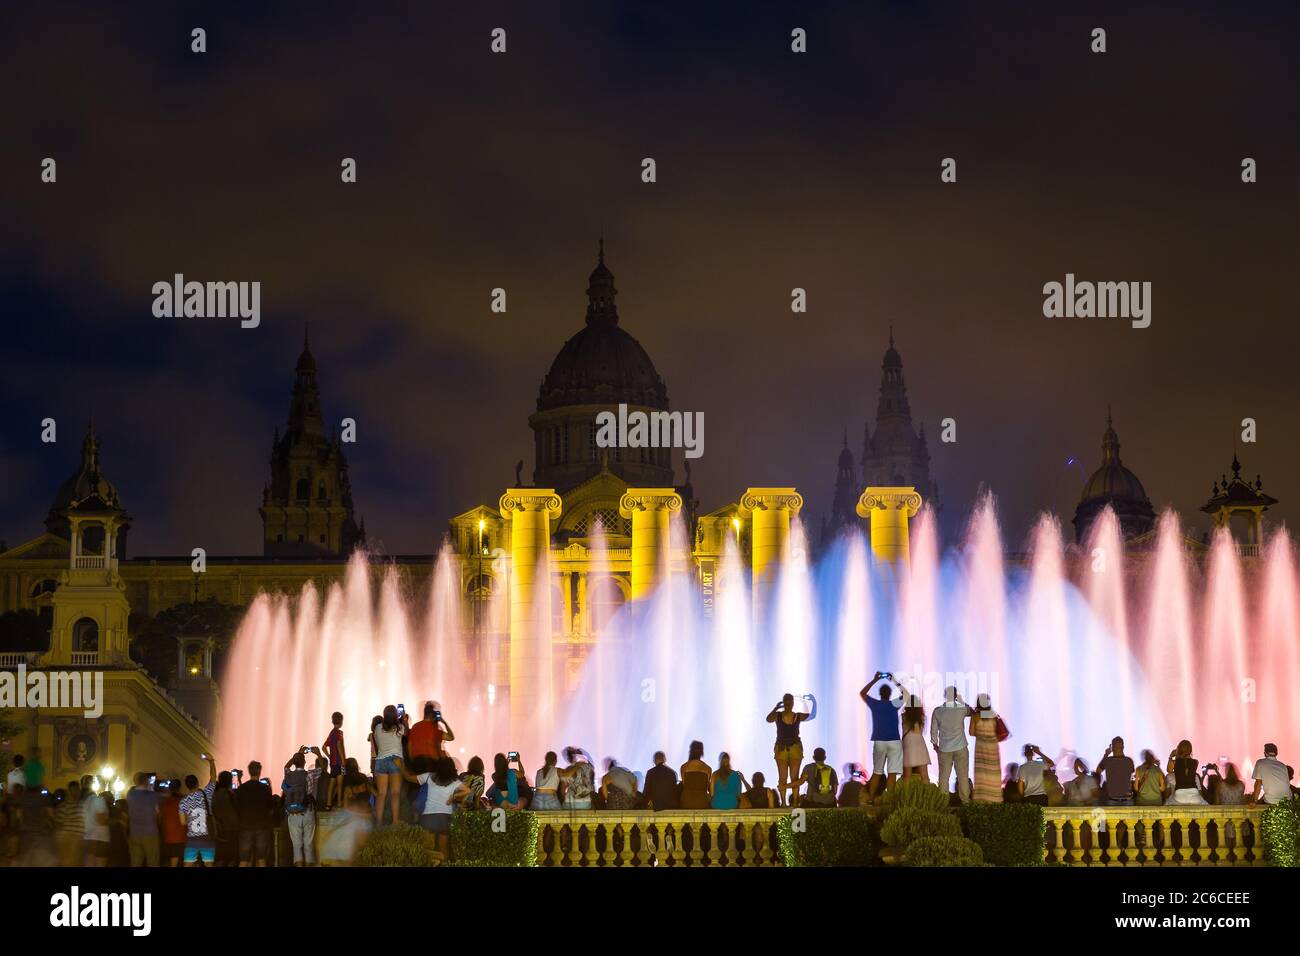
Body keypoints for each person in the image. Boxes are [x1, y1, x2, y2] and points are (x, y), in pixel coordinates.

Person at [400, 755, 469, 856]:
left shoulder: (429, 776)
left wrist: (400, 766)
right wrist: (454, 796)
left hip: (429, 816)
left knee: (428, 848)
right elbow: (468, 791)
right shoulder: (454, 781)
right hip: (445, 817)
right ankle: (443, 861)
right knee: (443, 848)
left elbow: (408, 777)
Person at [860, 671, 905, 800]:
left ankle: (871, 798)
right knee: (892, 774)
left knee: (877, 772)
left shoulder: (875, 704)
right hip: (894, 741)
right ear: (890, 694)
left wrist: (875, 680)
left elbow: (862, 693)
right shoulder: (894, 704)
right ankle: (890, 800)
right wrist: (894, 681)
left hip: (879, 741)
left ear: (880, 694)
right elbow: (906, 694)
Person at [766, 693, 815, 806]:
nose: (788, 703)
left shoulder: (796, 716)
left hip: (791, 748)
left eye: (789, 701)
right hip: (784, 748)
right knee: (785, 777)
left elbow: (810, 715)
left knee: (792, 777)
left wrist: (810, 702)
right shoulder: (779, 715)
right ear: (785, 702)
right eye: (786, 701)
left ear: (792, 703)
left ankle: (792, 803)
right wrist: (775, 709)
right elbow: (768, 719)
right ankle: (786, 803)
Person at [930, 686, 972, 803]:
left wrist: (935, 746)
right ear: (955, 696)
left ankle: (943, 802)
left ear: (944, 695)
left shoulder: (938, 711)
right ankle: (965, 801)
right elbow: (971, 711)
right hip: (961, 746)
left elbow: (933, 731)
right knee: (963, 776)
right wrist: (961, 700)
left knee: (944, 777)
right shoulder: (961, 708)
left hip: (944, 748)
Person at [179, 755, 219, 867]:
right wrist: (211, 761)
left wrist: (192, 820)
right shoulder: (206, 794)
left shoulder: (183, 802)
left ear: (187, 786)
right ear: (197, 783)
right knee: (208, 865)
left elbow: (182, 822)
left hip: (192, 839)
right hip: (207, 838)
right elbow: (213, 778)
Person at [371, 705, 407, 825]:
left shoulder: (377, 727)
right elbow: (406, 734)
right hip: (395, 761)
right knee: (395, 793)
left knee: (381, 794)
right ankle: (395, 822)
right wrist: (404, 720)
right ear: (396, 715)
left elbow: (377, 741)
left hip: (380, 761)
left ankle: (378, 822)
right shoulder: (399, 727)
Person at [234, 761, 275, 866]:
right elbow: (270, 807)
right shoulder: (265, 789)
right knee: (261, 859)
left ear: (249, 771)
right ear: (259, 771)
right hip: (262, 827)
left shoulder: (242, 789)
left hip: (245, 827)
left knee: (244, 860)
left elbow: (237, 807)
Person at [281, 748, 318, 866]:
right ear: (305, 762)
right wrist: (318, 753)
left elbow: (286, 766)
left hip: (292, 813)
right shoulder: (310, 775)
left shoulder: (288, 775)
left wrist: (298, 754)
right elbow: (322, 768)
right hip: (307, 811)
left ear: (294, 762)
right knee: (308, 843)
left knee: (297, 845)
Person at [969, 693, 1003, 803]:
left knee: (981, 773)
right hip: (993, 747)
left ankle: (981, 799)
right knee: (993, 772)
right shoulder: (993, 715)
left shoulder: (975, 716)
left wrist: (981, 734)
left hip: (981, 747)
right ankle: (995, 799)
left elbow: (971, 732)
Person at [125, 773, 161, 866]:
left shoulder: (130, 794)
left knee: (135, 862)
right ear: (146, 781)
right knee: (152, 861)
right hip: (150, 832)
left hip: (134, 833)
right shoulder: (153, 795)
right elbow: (157, 812)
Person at [80, 776, 111, 866]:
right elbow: (101, 820)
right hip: (100, 839)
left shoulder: (82, 803)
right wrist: (109, 820)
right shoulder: (99, 800)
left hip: (87, 838)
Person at [1166, 740, 1208, 805]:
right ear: (1190, 750)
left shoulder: (1175, 762)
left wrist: (1171, 756)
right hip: (1195, 794)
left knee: (1167, 804)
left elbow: (1169, 770)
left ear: (1179, 749)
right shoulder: (1196, 762)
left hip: (1179, 795)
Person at [211, 771, 239, 866]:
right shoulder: (230, 794)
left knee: (220, 856)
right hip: (232, 828)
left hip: (220, 828)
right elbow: (237, 808)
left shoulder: (214, 794)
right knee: (231, 856)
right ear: (229, 781)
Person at [1096, 737, 1135, 805]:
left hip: (1112, 799)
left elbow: (1098, 771)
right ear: (1123, 746)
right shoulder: (1129, 761)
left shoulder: (1107, 760)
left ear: (1112, 748)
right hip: (1127, 799)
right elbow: (1131, 773)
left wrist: (1106, 754)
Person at [53, 782, 85, 867]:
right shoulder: (65, 805)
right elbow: (58, 824)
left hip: (78, 838)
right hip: (69, 838)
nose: (74, 793)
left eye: (76, 790)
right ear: (69, 792)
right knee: (69, 862)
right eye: (72, 791)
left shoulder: (82, 804)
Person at [901, 695, 931, 782]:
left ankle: (906, 795)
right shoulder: (922, 717)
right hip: (920, 745)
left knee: (907, 776)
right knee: (924, 775)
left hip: (908, 745)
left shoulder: (904, 716)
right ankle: (927, 794)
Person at [159, 779, 186, 866]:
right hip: (179, 835)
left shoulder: (164, 801)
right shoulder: (182, 800)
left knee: (173, 858)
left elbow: (160, 816)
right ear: (180, 788)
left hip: (167, 834)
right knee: (176, 858)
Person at [323, 711, 346, 810]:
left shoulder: (331, 733)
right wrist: (343, 760)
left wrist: (329, 756)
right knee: (340, 784)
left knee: (331, 784)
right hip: (340, 763)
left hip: (332, 763)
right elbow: (339, 745)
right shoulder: (339, 733)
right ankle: (340, 803)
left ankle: (328, 804)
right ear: (341, 721)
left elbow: (323, 747)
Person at [679, 741, 712, 809]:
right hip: (702, 803)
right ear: (702, 752)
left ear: (690, 751)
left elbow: (684, 784)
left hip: (686, 803)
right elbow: (707, 787)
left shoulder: (684, 767)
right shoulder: (708, 768)